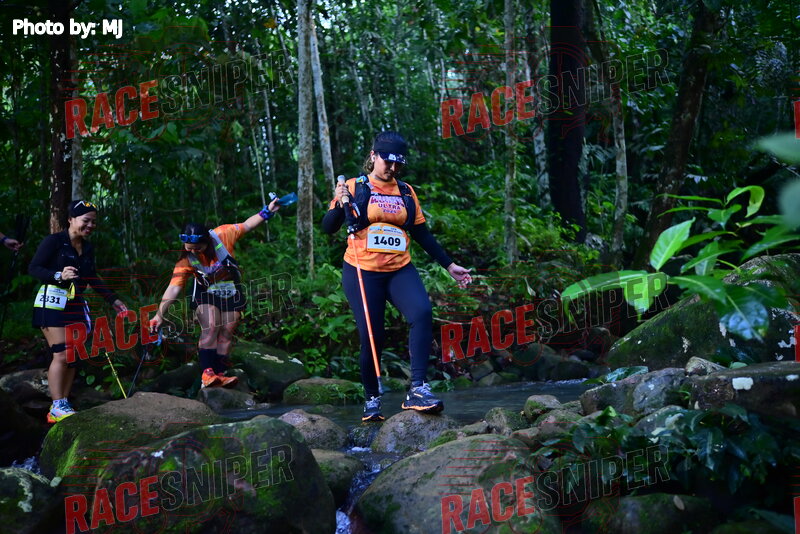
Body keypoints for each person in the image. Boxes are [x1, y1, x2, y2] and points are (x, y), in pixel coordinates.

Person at [322, 131, 472, 422]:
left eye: (397, 164)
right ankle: (372, 399)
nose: (392, 168)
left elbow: (421, 233)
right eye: (387, 162)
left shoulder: (405, 191)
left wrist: (449, 265)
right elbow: (328, 227)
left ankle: (418, 388)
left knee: (422, 312)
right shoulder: (354, 186)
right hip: (362, 271)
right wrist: (340, 203)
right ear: (373, 156)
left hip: (399, 268)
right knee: (372, 336)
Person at [150, 199, 281, 388]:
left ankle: (220, 374)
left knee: (227, 331)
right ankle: (207, 374)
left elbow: (247, 225)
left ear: (207, 241)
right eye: (189, 248)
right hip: (205, 290)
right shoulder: (185, 261)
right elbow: (173, 288)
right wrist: (159, 315)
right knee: (211, 326)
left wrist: (267, 211)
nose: (194, 252)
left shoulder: (224, 234)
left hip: (230, 288)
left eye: (198, 248)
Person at [29, 200, 128, 423]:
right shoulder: (54, 241)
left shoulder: (87, 247)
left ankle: (62, 404)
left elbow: (91, 276)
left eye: (94, 222)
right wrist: (58, 275)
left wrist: (112, 299)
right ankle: (57, 404)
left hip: (75, 304)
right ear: (70, 219)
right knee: (62, 354)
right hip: (52, 302)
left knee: (74, 355)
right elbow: (34, 268)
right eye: (86, 220)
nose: (90, 225)